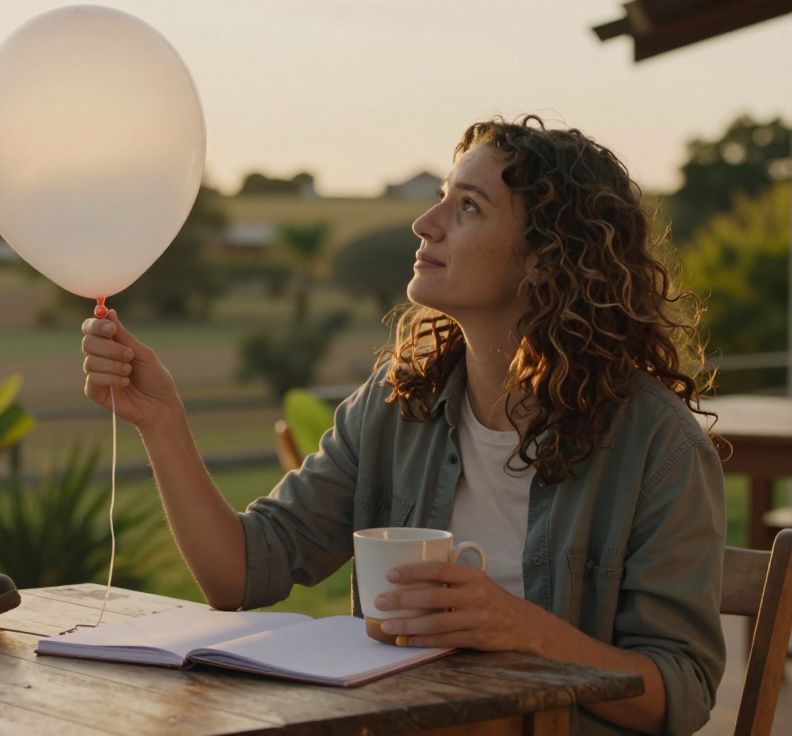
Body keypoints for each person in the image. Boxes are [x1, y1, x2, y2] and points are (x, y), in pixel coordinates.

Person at [79, 115, 725, 736]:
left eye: (466, 207)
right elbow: (239, 573)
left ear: (544, 258)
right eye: (441, 198)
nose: (424, 223)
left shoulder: (657, 446)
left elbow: (682, 690)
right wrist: (161, 422)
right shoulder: (396, 408)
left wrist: (521, 629)